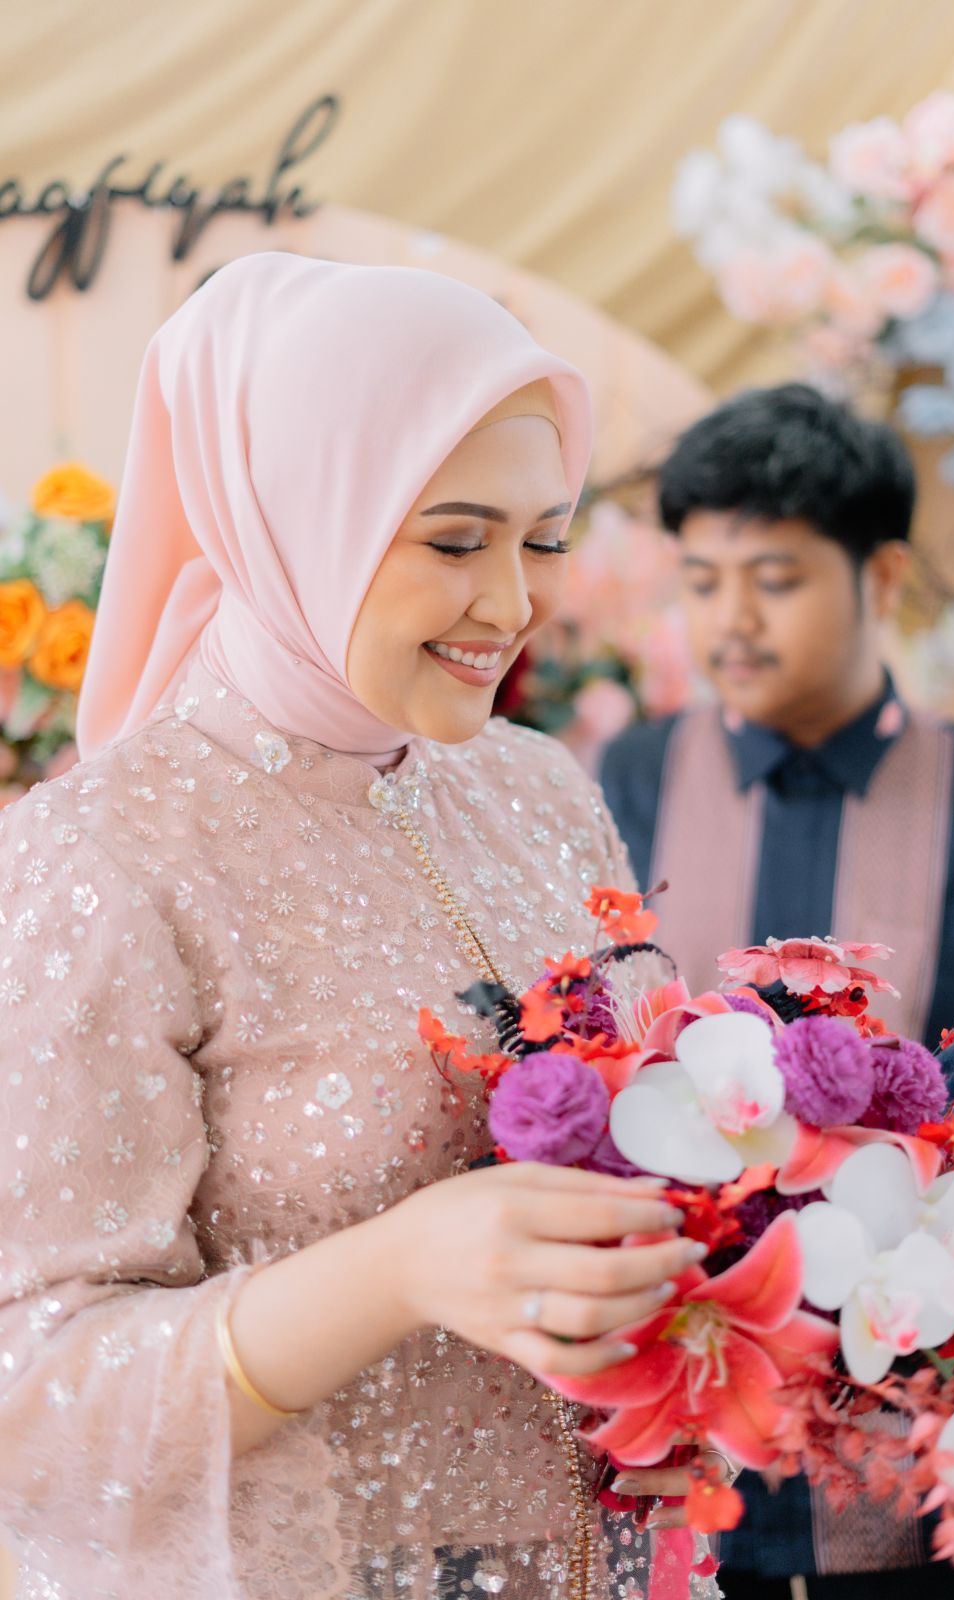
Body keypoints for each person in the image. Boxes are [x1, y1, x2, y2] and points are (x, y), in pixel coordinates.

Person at [0, 254, 712, 1600]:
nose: (511, 603)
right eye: (453, 540)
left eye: (541, 538)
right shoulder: (102, 859)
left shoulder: (536, 789)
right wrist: (395, 1270)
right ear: (296, 515)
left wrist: (692, 1358)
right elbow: (30, 1394)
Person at [600, 383, 954, 1598]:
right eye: (702, 580)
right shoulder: (616, 789)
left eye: (774, 577)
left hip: (921, 1474)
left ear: (882, 576)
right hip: (676, 1453)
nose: (730, 618)